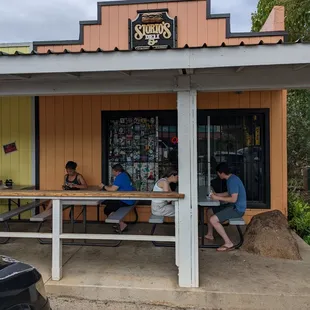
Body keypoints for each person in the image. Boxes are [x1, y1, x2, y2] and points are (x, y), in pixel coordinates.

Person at [206, 162, 247, 252]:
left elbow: (233, 199)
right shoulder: (231, 178)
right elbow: (229, 193)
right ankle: (210, 234)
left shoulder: (232, 181)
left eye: (218, 173)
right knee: (209, 211)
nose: (218, 175)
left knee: (213, 219)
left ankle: (228, 243)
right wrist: (217, 194)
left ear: (221, 173)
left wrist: (217, 197)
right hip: (232, 206)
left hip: (237, 209)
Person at [99, 164, 136, 233]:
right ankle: (118, 223)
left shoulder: (120, 177)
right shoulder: (124, 175)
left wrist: (103, 186)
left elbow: (113, 189)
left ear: (117, 171)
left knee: (107, 209)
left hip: (126, 200)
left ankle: (122, 225)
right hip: (130, 199)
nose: (113, 173)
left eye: (113, 171)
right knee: (107, 202)